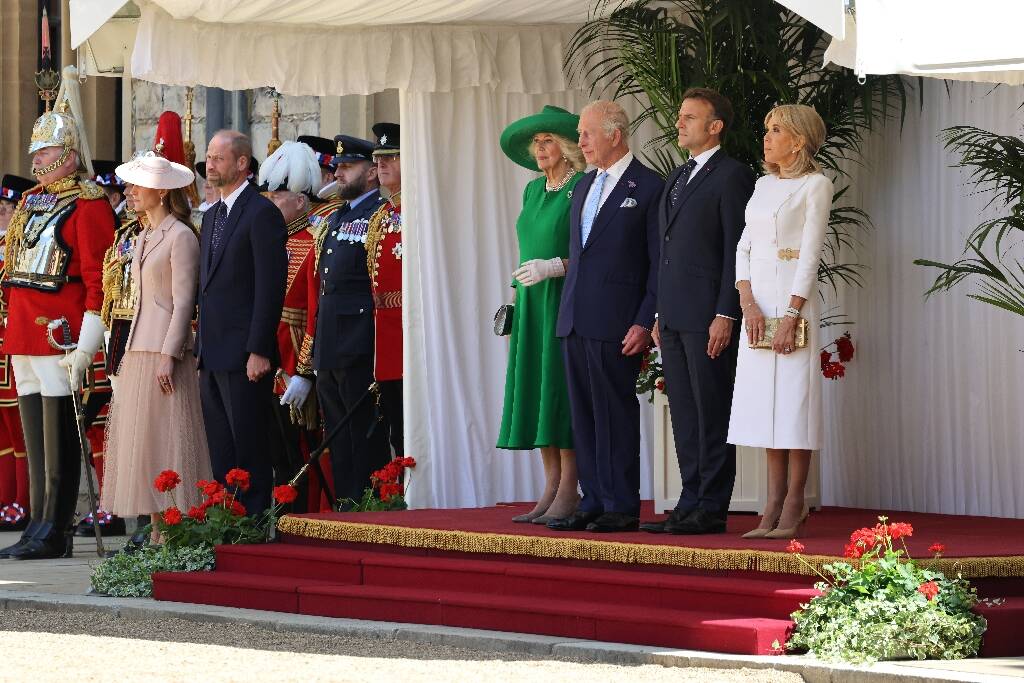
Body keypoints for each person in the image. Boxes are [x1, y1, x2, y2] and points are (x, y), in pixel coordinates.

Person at [0, 71, 117, 560]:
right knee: (34, 431)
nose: (36, 160)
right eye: (34, 153)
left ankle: (57, 525)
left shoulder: (88, 204)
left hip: (59, 329)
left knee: (60, 432)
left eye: (45, 152)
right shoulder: (30, 200)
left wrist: (90, 338)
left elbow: (98, 277)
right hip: (24, 328)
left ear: (69, 154)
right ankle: (37, 521)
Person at [640, 88, 756, 536]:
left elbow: (735, 249)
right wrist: (657, 312)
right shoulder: (677, 176)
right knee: (685, 413)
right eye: (680, 116)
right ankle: (689, 502)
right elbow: (664, 253)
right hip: (672, 316)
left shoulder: (732, 176)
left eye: (690, 117)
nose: (679, 123)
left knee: (710, 409)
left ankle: (710, 507)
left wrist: (727, 313)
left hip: (709, 315)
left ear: (715, 126)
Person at [546, 101, 662, 534]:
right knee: (584, 414)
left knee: (614, 412)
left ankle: (620, 503)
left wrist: (643, 319)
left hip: (618, 321)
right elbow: (580, 255)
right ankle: (592, 499)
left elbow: (656, 262)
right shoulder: (582, 186)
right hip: (576, 317)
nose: (580, 143)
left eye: (587, 133)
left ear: (615, 134)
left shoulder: (648, 186)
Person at [729, 104, 833, 540]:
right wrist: (747, 301)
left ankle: (794, 500)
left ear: (799, 141)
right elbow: (743, 245)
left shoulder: (816, 185)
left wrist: (792, 312)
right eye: (766, 128)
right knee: (764, 405)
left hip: (794, 302)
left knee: (794, 401)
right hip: (758, 305)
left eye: (776, 130)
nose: (766, 137)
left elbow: (810, 253)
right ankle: (769, 502)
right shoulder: (761, 184)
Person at [100, 153, 212, 543]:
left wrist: (170, 353)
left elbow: (184, 302)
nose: (129, 192)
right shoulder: (144, 234)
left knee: (169, 438)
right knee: (144, 441)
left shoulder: (181, 235)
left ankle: (175, 533)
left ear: (161, 192)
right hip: (137, 344)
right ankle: (154, 533)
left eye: (137, 185)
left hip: (165, 349)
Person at [496, 106, 585, 524]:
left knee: (559, 391)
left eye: (547, 140)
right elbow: (527, 244)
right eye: (536, 142)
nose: (539, 148)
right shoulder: (533, 191)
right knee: (536, 388)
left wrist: (557, 266)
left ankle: (571, 486)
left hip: (563, 298)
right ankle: (549, 485)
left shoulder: (582, 187)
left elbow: (593, 250)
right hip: (531, 300)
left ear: (566, 147)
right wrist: (516, 292)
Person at [196, 130, 287, 515]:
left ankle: (250, 525)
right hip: (212, 351)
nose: (209, 164)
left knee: (248, 444)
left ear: (242, 163)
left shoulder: (261, 213)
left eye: (218, 158)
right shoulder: (213, 214)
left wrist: (259, 349)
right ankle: (226, 523)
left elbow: (269, 288)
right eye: (209, 157)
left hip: (244, 353)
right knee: (221, 448)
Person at [298, 135, 388, 509]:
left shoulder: (380, 214)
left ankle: (368, 505)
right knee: (337, 434)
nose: (339, 173)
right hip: (331, 342)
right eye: (338, 167)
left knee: (363, 433)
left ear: (371, 173)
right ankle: (347, 505)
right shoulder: (335, 216)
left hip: (360, 339)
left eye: (348, 167)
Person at [256, 139, 325, 511]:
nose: (269, 205)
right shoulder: (268, 241)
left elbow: (314, 313)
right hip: (264, 359)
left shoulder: (315, 242)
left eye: (278, 198)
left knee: (299, 450)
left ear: (300, 201)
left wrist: (304, 371)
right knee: (273, 450)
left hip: (294, 360)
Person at [365, 124, 404, 457]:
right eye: (379, 158)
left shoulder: (419, 212)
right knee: (393, 423)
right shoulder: (383, 214)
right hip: (384, 335)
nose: (382, 164)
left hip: (408, 332)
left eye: (392, 156)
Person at [0, 174, 34, 532]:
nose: (3, 215)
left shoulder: (20, 250)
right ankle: (6, 498)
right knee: (3, 434)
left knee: (20, 430)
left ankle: (23, 502)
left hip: (15, 349)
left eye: (8, 209)